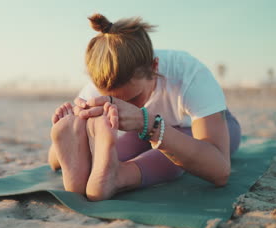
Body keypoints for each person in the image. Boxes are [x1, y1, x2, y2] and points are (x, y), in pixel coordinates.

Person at [47, 13, 242, 201]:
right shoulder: (105, 79)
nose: (124, 107)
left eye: (133, 98)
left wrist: (146, 123)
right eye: (113, 100)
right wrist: (77, 126)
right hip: (140, 132)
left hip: (195, 131)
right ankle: (91, 172)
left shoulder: (189, 74)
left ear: (154, 66)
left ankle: (121, 176)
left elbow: (220, 170)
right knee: (111, 149)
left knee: (176, 146)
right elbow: (55, 158)